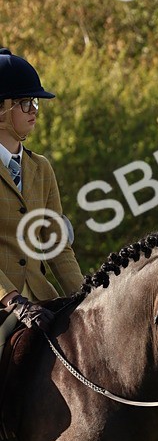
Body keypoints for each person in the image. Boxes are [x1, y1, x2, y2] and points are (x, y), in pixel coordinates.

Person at [0, 48, 82, 349]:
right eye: (25, 103)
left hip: (40, 300)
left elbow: (57, 245)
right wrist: (12, 299)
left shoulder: (41, 168)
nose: (34, 110)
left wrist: (88, 296)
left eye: (35, 102)